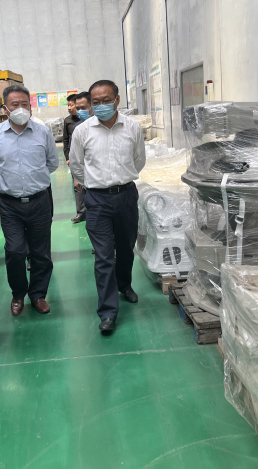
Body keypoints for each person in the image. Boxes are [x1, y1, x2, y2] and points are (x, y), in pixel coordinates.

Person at [69, 80, 146, 334]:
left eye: (106, 100)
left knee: (126, 248)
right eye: (96, 102)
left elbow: (139, 160)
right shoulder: (83, 131)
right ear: (91, 105)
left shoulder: (132, 128)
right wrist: (93, 184)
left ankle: (125, 285)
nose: (101, 105)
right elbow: (76, 164)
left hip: (126, 196)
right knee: (103, 256)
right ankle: (108, 311)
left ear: (117, 100)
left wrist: (121, 179)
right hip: (97, 200)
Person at [0, 85, 59, 316]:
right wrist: (9, 181)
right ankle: (18, 294)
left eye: (24, 104)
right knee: (15, 251)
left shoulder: (43, 132)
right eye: (14, 104)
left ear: (30, 106)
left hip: (39, 201)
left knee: (41, 253)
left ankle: (38, 295)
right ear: (5, 108)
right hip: (10, 204)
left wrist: (33, 179)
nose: (20, 108)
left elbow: (52, 163)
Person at [62, 93, 85, 223]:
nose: (69, 108)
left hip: (87, 158)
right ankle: (81, 212)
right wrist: (68, 157)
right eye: (68, 105)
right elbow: (66, 141)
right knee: (77, 186)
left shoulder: (87, 120)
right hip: (74, 158)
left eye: (71, 105)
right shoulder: (68, 121)